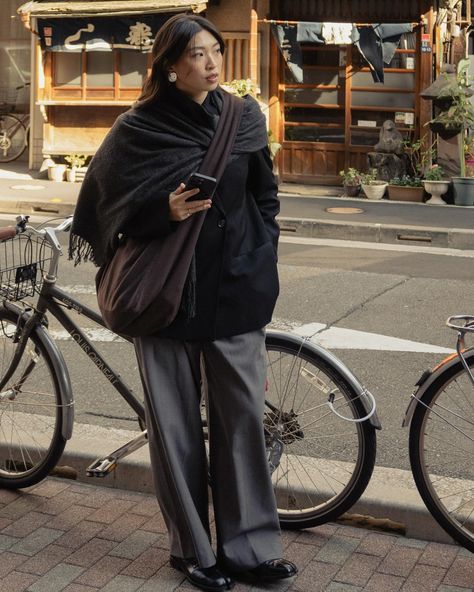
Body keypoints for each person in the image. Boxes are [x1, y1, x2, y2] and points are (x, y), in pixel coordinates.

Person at [69, 13, 297, 592]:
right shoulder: (137, 130)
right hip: (166, 300)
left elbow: (264, 195)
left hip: (236, 293)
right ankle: (193, 549)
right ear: (170, 67)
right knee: (173, 430)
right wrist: (160, 213)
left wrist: (260, 250)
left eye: (215, 50)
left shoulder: (245, 119)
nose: (211, 62)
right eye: (196, 54)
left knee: (243, 423)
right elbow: (101, 209)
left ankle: (249, 549)